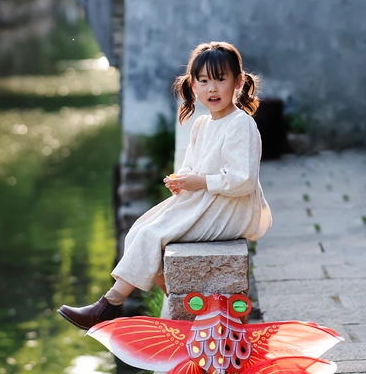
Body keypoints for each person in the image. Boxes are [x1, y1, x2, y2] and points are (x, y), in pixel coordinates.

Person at [57, 41, 272, 330]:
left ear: (237, 82)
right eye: (204, 81)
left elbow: (243, 180)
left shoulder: (240, 123)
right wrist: (182, 181)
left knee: (152, 236)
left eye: (221, 80)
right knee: (137, 232)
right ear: (193, 86)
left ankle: (107, 306)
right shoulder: (202, 125)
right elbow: (192, 167)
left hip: (232, 207)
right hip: (207, 198)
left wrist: (200, 182)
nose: (212, 89)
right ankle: (179, 302)